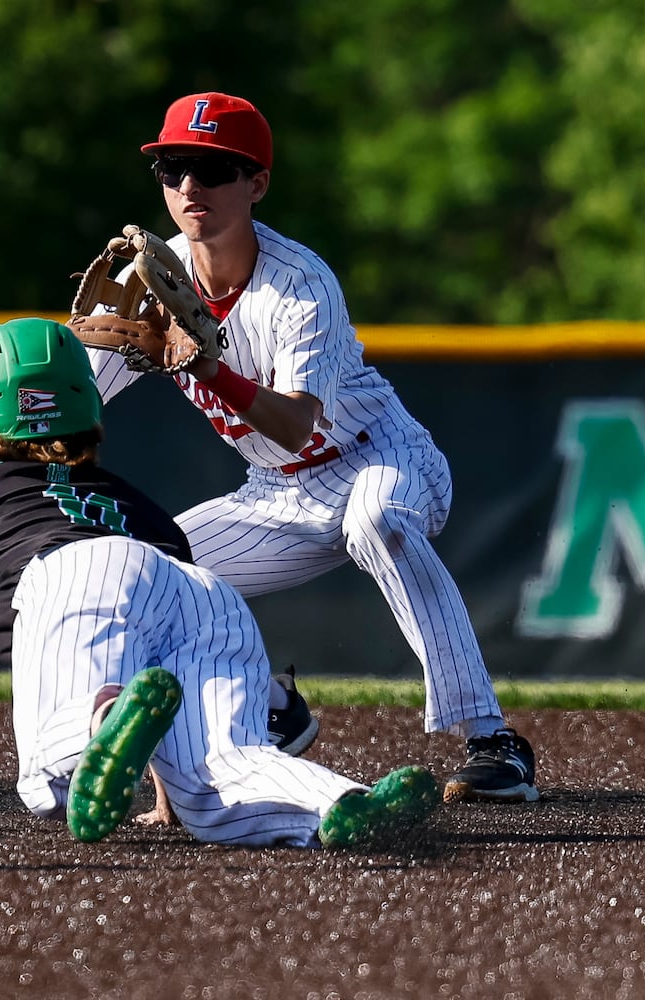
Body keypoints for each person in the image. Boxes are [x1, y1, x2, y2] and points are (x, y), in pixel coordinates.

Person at [83, 91, 538, 804]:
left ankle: (493, 741)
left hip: (378, 458)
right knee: (145, 574)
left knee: (377, 524)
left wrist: (207, 368)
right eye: (172, 168)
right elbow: (78, 399)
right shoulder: (152, 281)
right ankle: (272, 710)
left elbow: (295, 424)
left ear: (256, 182)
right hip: (275, 496)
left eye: (212, 168)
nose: (189, 186)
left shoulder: (300, 283)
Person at [0, 316, 440, 849]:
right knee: (221, 774)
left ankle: (101, 717)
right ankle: (336, 801)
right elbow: (162, 629)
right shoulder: (139, 504)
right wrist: (168, 805)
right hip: (201, 591)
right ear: (88, 407)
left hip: (72, 576)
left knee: (48, 778)